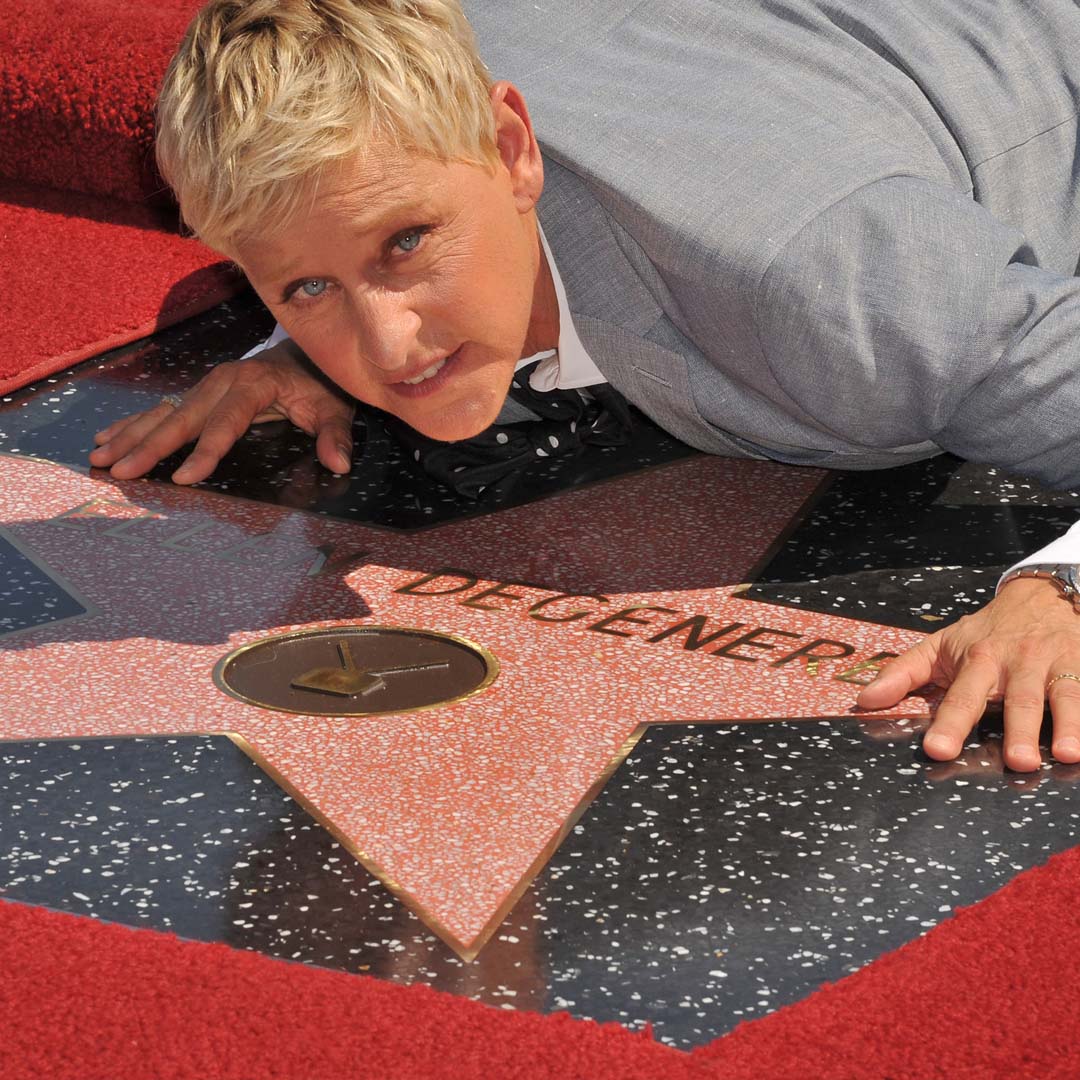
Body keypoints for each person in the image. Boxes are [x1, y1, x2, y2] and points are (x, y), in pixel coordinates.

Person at [88, 0, 1080, 771]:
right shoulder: (399, 73)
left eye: (406, 244)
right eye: (308, 284)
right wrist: (288, 349)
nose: (387, 348)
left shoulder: (822, 281)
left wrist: (1058, 587)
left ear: (513, 147)